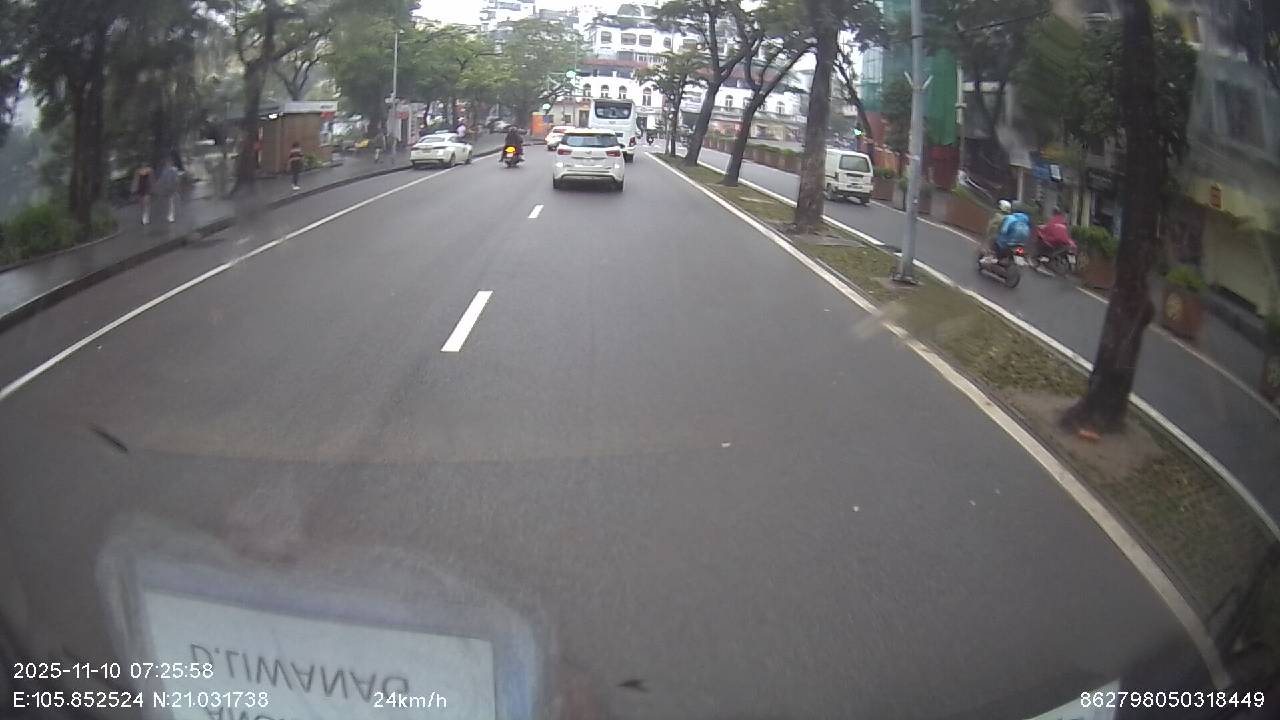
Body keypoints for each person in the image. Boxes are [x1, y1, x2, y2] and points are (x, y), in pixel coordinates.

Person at [155, 158, 181, 223]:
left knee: (171, 202)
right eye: (167, 163)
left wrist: (176, 185)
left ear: (171, 163)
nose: (168, 164)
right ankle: (170, 215)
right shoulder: (165, 171)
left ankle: (171, 216)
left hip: (172, 188)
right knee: (169, 202)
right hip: (167, 188)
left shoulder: (174, 170)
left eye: (169, 163)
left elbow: (176, 179)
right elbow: (162, 179)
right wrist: (158, 184)